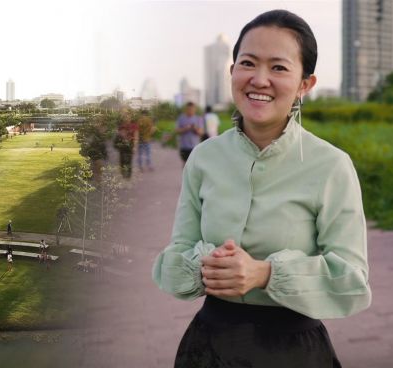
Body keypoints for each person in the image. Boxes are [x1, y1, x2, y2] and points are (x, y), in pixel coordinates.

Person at [152, 10, 370, 368]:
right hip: (207, 347)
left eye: (279, 68)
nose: (259, 79)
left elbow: (351, 280)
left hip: (292, 350)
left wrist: (264, 274)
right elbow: (176, 257)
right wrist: (204, 266)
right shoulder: (204, 158)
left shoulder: (331, 165)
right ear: (232, 71)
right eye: (248, 63)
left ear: (305, 84)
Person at [114, 110, 139, 178]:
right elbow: (118, 135)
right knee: (122, 160)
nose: (127, 118)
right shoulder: (121, 125)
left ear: (130, 117)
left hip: (130, 144)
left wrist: (135, 147)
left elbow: (136, 136)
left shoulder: (134, 125)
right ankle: (122, 173)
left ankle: (128, 175)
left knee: (129, 160)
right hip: (122, 145)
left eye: (128, 116)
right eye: (125, 116)